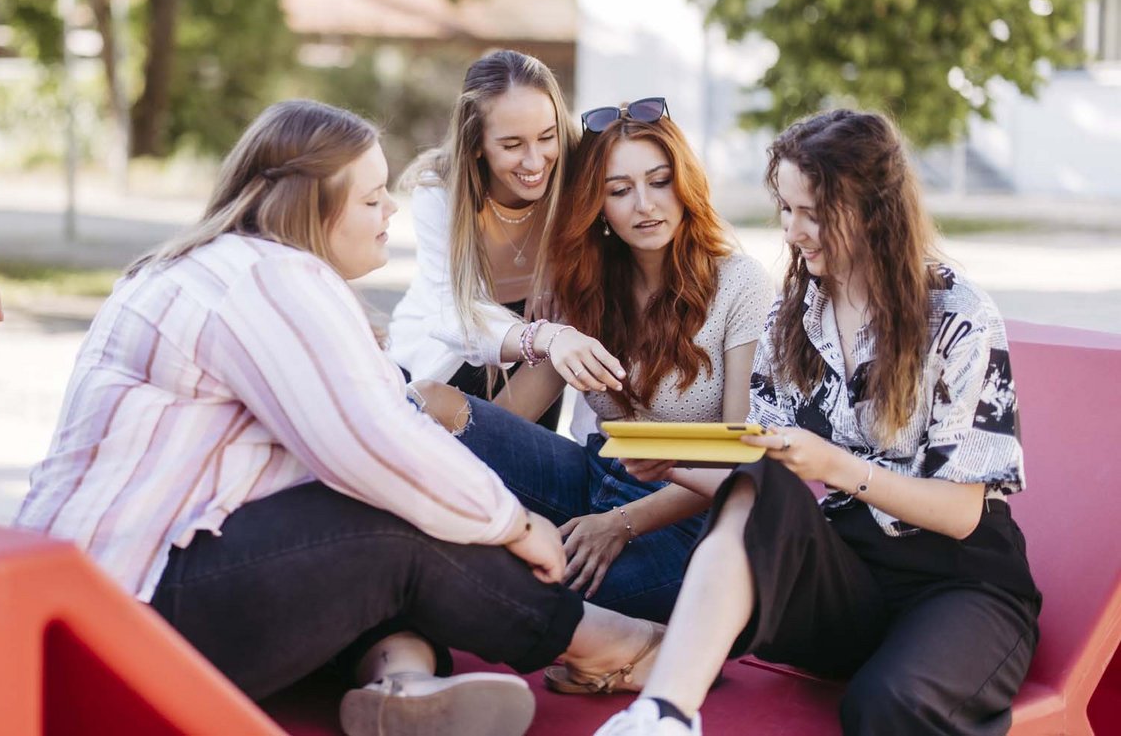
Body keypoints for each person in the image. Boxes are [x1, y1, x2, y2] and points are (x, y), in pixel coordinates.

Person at [16, 100, 666, 736]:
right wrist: (515, 523)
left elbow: (386, 413)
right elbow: (380, 446)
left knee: (389, 526)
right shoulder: (271, 277)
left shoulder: (210, 265)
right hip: (123, 622)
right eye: (372, 198)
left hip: (82, 603)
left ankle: (402, 687)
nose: (390, 211)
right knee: (395, 520)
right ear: (312, 207)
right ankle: (600, 643)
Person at [588, 109, 1039, 736]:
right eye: (786, 209)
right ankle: (662, 716)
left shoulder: (958, 316)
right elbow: (759, 478)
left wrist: (837, 468)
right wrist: (677, 467)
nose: (794, 231)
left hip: (959, 585)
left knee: (886, 704)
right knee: (759, 478)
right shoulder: (792, 316)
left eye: (814, 212)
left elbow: (963, 513)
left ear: (876, 209)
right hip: (850, 578)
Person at [413, 99, 771, 623]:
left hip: (690, 511)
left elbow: (742, 455)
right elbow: (511, 414)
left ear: (686, 184)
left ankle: (639, 644)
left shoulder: (740, 283)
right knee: (431, 403)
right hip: (595, 474)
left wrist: (620, 523)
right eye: (619, 191)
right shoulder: (587, 287)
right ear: (597, 205)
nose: (644, 205)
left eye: (660, 181)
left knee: (540, 591)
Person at [388, 49, 617, 429]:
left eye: (547, 137)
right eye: (512, 145)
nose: (535, 161)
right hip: (449, 353)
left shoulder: (578, 178)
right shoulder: (441, 191)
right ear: (476, 143)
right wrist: (542, 337)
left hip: (540, 357)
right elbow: (455, 314)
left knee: (516, 472)